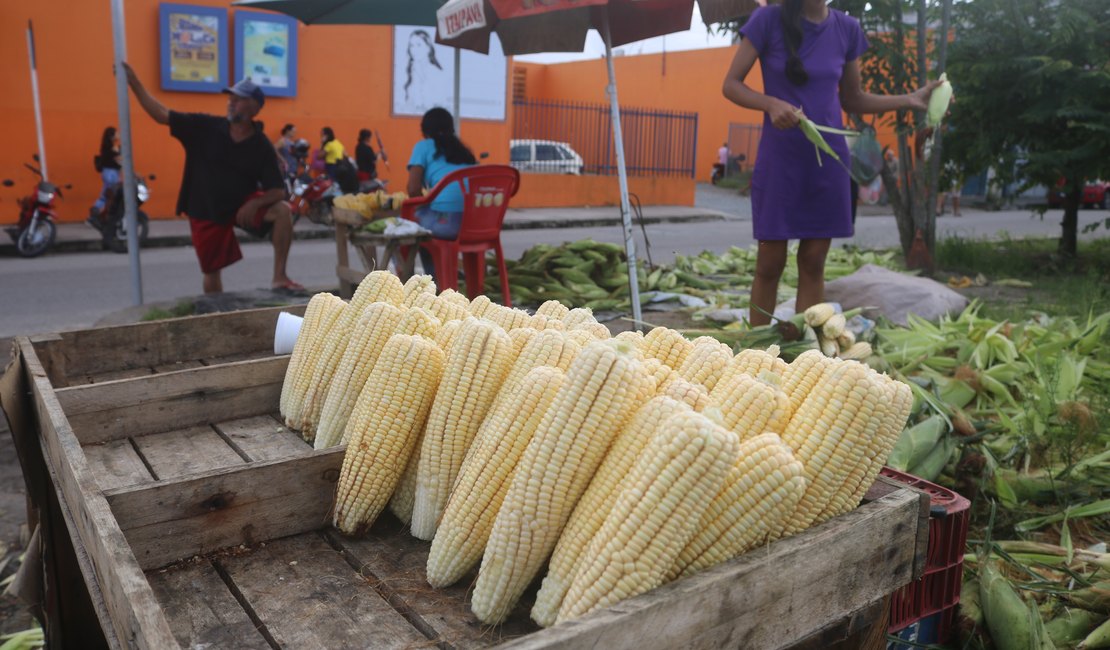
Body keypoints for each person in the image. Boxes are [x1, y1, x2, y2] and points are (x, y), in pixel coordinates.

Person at [722, 0, 941, 325]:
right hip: (781, 160)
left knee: (813, 261)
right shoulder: (766, 20)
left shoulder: (847, 29)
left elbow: (852, 98)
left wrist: (908, 100)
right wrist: (770, 104)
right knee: (769, 261)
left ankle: (804, 355)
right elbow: (731, 85)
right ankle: (756, 354)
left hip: (829, 161)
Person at [121, 64, 300, 294]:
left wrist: (255, 203)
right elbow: (162, 115)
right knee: (211, 271)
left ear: (254, 107)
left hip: (240, 206)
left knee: (283, 210)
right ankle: (215, 310)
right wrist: (134, 82)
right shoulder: (205, 127)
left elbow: (277, 191)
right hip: (205, 209)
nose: (231, 102)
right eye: (230, 98)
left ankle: (280, 277)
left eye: (239, 99)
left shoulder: (261, 145)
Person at [406, 107, 477, 281]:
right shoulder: (464, 152)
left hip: (447, 225)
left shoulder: (423, 146)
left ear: (424, 131)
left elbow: (413, 189)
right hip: (475, 224)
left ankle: (434, 282)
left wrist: (423, 206)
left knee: (412, 229)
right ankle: (470, 282)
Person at [89, 126, 122, 225]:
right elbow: (120, 161)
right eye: (117, 133)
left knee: (106, 195)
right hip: (111, 174)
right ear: (112, 136)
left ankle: (98, 215)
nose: (119, 134)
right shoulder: (113, 148)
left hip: (107, 173)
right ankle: (93, 216)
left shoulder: (106, 147)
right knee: (107, 196)